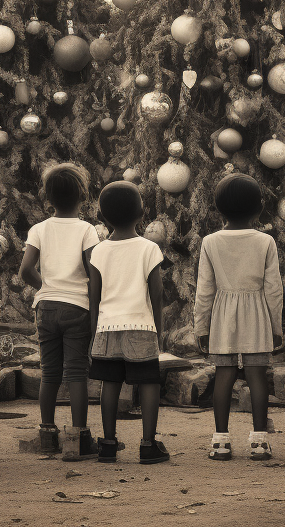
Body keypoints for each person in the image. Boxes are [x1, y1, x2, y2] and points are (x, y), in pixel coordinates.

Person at [193, 173, 282, 461]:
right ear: (259, 208)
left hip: (222, 316)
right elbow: (274, 290)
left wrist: (201, 326)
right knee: (257, 375)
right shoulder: (266, 242)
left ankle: (220, 441)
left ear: (219, 209)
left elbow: (204, 290)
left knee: (224, 374)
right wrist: (276, 327)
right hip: (257, 314)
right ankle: (259, 442)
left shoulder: (210, 242)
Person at [18, 162, 100, 461]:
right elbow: (94, 274)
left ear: (47, 198)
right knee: (77, 373)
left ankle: (47, 435)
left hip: (46, 308)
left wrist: (45, 287)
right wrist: (96, 311)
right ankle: (78, 438)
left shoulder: (39, 229)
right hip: (77, 307)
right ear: (82, 195)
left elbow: (26, 270)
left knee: (49, 373)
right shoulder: (87, 230)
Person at [87, 180, 170, 464]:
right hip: (141, 326)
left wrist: (92, 333)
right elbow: (156, 295)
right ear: (142, 212)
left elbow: (93, 297)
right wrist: (158, 330)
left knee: (110, 382)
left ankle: (108, 444)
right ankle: (148, 444)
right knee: (148, 383)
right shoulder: (149, 248)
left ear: (102, 216)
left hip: (107, 326)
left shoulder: (98, 251)